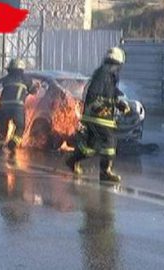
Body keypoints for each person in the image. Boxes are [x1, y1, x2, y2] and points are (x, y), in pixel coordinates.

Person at [66, 47, 130, 182]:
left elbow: (109, 95)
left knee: (92, 146)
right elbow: (95, 95)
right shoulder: (104, 74)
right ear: (117, 63)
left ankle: (73, 160)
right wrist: (100, 107)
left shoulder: (107, 75)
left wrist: (119, 104)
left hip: (98, 116)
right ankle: (105, 172)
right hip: (98, 116)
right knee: (109, 141)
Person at [0, 58, 38, 153]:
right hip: (17, 107)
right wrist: (36, 88)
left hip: (3, 107)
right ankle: (12, 143)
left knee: (2, 129)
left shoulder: (6, 78)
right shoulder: (25, 78)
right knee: (20, 127)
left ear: (10, 69)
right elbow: (33, 91)